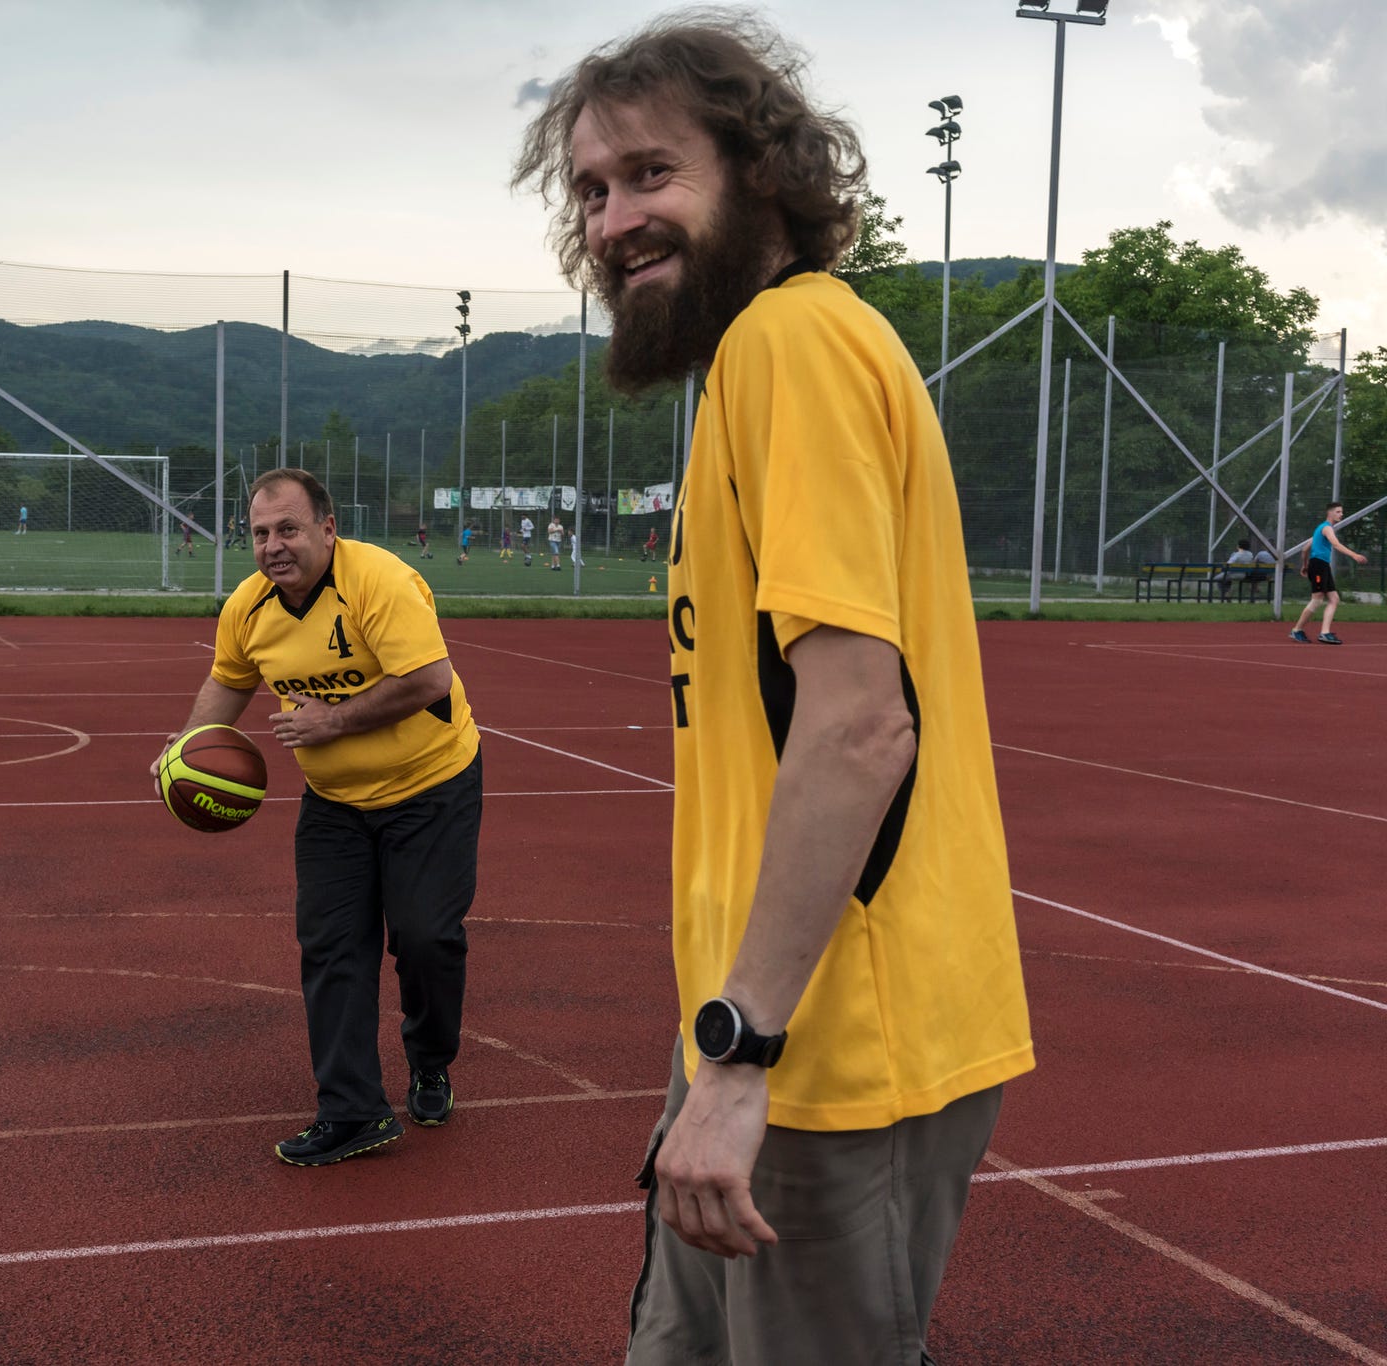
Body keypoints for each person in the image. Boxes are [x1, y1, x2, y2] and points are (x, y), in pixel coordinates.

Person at [516, 17, 1033, 1362]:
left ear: (764, 175)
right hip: (763, 1033)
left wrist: (743, 1053)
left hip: (823, 1052)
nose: (614, 217)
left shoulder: (789, 350)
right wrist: (719, 1042)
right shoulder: (766, 358)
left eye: (650, 173)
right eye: (590, 188)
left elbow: (861, 725)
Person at [150, 468, 482, 1168]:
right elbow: (228, 682)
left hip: (431, 784)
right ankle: (354, 1110)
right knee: (331, 947)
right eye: (261, 532)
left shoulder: (379, 582)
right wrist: (182, 751)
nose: (273, 545)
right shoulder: (248, 607)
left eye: (289, 529)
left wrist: (335, 720)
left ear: (329, 529)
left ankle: (429, 1059)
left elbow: (429, 680)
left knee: (424, 939)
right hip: (335, 803)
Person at [1291, 501, 1368, 644]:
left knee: (1334, 599)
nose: (1341, 514)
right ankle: (1296, 630)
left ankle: (1324, 633)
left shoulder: (1320, 529)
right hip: (1319, 565)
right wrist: (1354, 555)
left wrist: (1305, 565)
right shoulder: (1327, 528)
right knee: (1317, 600)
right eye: (1338, 512)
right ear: (1330, 513)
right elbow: (1336, 544)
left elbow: (1305, 549)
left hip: (1321, 566)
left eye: (1341, 512)